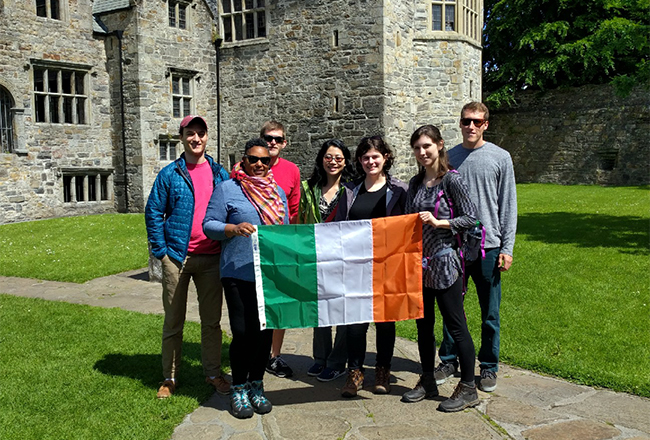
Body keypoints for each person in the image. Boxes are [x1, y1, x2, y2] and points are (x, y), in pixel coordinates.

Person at [144, 115, 231, 399]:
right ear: (181, 137)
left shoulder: (220, 174)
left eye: (201, 133)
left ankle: (213, 373)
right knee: (173, 321)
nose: (196, 139)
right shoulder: (170, 174)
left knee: (211, 322)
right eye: (190, 133)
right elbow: (154, 212)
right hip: (177, 258)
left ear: (207, 137)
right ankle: (169, 378)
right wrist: (161, 251)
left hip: (211, 258)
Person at [203, 138, 288, 419]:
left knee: (264, 332)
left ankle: (256, 385)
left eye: (265, 160)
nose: (260, 165)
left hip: (269, 274)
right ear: (244, 159)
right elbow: (209, 225)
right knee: (242, 332)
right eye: (254, 159)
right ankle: (238, 387)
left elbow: (284, 232)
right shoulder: (228, 189)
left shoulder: (277, 193)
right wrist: (231, 227)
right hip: (237, 271)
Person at [435, 102, 517, 393]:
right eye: (466, 121)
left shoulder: (500, 157)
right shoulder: (450, 158)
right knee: (451, 308)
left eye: (477, 122)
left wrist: (507, 248)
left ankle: (489, 366)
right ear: (460, 123)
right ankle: (448, 359)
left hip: (489, 246)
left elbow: (508, 205)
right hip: (455, 246)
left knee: (489, 313)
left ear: (486, 124)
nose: (471, 126)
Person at [402, 124, 480, 412]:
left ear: (439, 146)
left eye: (427, 146)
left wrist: (439, 222)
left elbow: (472, 218)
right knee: (423, 326)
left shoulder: (452, 181)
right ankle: (427, 379)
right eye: (417, 148)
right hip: (421, 265)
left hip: (446, 262)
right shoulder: (415, 183)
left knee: (456, 325)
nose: (422, 152)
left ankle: (469, 387)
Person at [334, 135, 408, 398]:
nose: (370, 161)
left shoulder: (399, 190)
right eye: (365, 157)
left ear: (385, 158)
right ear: (360, 161)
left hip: (388, 267)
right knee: (356, 323)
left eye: (375, 156)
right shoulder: (351, 191)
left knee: (385, 322)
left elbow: (408, 227)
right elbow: (339, 227)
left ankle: (382, 371)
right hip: (356, 266)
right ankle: (354, 373)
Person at [299, 139, 357, 382]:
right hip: (316, 255)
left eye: (339, 158)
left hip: (344, 256)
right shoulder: (308, 187)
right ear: (321, 159)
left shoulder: (353, 189)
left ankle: (337, 361)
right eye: (328, 157)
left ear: (345, 162)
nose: (333, 162)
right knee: (319, 308)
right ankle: (320, 358)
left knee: (343, 309)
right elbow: (300, 218)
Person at [260, 121, 301, 379]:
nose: (272, 142)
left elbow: (294, 210)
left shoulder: (291, 171)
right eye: (268, 138)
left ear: (284, 143)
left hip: (281, 246)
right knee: (255, 303)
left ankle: (274, 356)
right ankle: (256, 352)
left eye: (277, 139)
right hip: (253, 246)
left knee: (281, 303)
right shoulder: (244, 168)